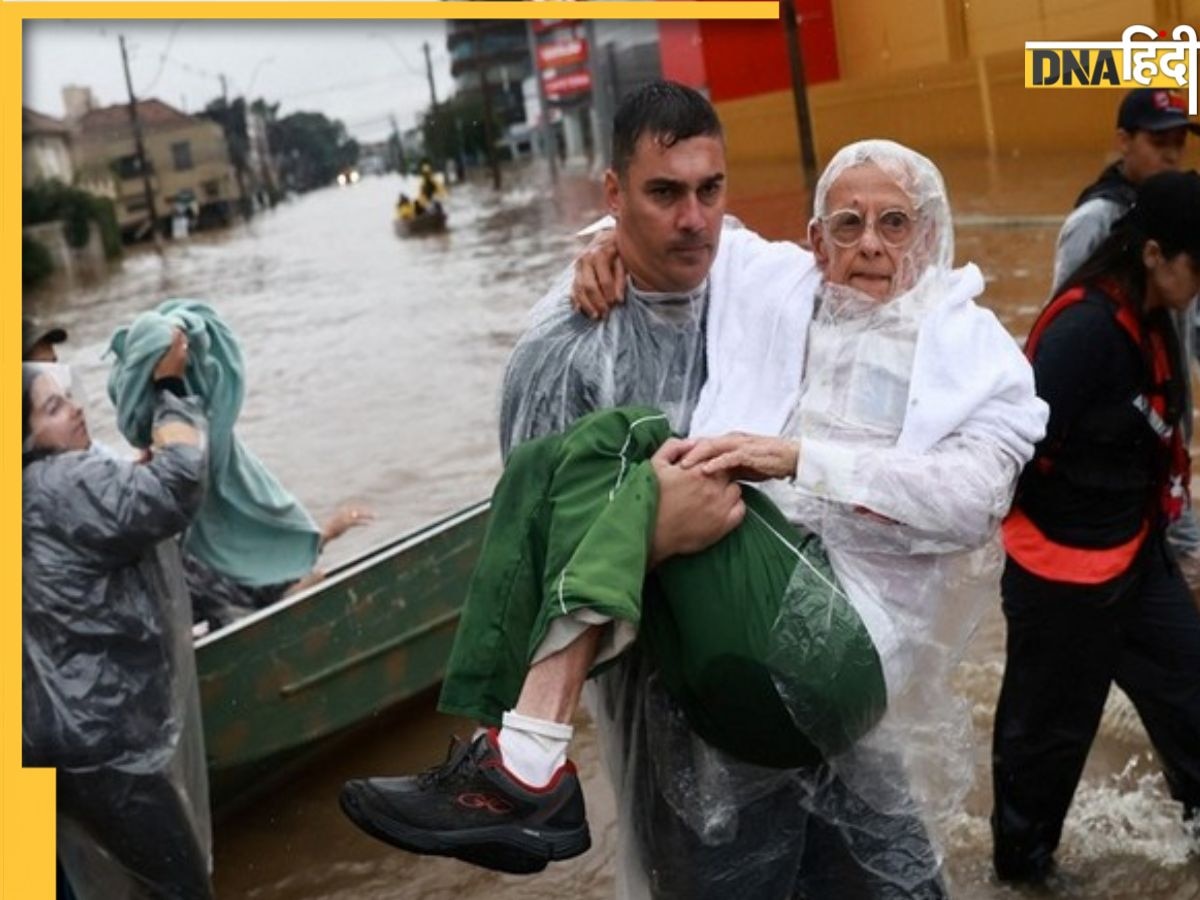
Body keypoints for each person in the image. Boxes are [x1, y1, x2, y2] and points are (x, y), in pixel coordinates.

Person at [342, 82, 1046, 897]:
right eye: (848, 225)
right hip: (697, 694)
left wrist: (796, 460)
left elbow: (976, 495)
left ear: (930, 235)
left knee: (632, 446)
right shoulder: (765, 294)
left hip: (831, 660)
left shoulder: (975, 351)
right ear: (818, 239)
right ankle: (520, 753)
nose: (872, 247)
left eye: (896, 224)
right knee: (599, 454)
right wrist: (653, 532)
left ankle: (523, 756)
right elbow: (539, 537)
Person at [991, 169, 1200, 884]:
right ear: (1154, 255)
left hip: (1135, 557)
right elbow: (1009, 451)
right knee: (1044, 748)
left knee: (1192, 693)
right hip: (1063, 576)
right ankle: (1021, 877)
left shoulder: (1156, 313)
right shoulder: (1082, 331)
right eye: (1197, 264)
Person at [23, 331, 214, 899]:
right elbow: (181, 482)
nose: (77, 408)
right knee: (179, 889)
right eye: (53, 407)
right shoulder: (63, 480)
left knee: (40, 888)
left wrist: (122, 481)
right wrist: (169, 387)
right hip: (101, 744)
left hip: (28, 750)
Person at [107, 299, 372, 631]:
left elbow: (259, 553)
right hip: (234, 624)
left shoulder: (208, 478)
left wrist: (326, 534)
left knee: (310, 581)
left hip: (231, 612)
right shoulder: (173, 501)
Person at [1051, 88, 1200, 564]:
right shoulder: (1095, 222)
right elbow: (1067, 331)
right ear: (1123, 141)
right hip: (1114, 450)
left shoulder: (1186, 217)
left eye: (1180, 141)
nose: (1173, 154)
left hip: (1165, 436)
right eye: (1160, 142)